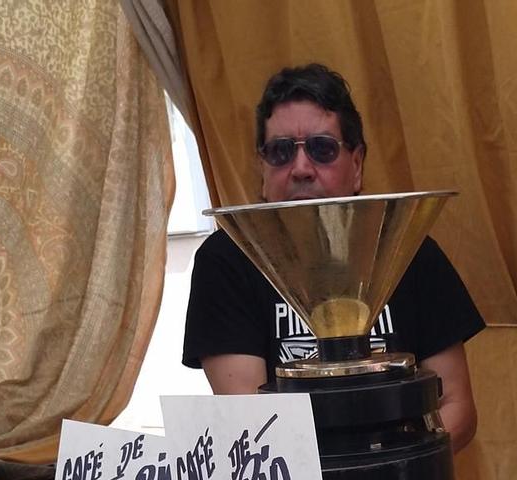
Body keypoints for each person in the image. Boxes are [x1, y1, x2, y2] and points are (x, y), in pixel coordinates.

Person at [182, 62, 484, 453]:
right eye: (281, 152)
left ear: (356, 164)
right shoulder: (224, 260)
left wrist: (386, 470)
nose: (302, 168)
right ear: (261, 166)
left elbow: (457, 406)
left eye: (322, 149)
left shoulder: (410, 250)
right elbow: (249, 420)